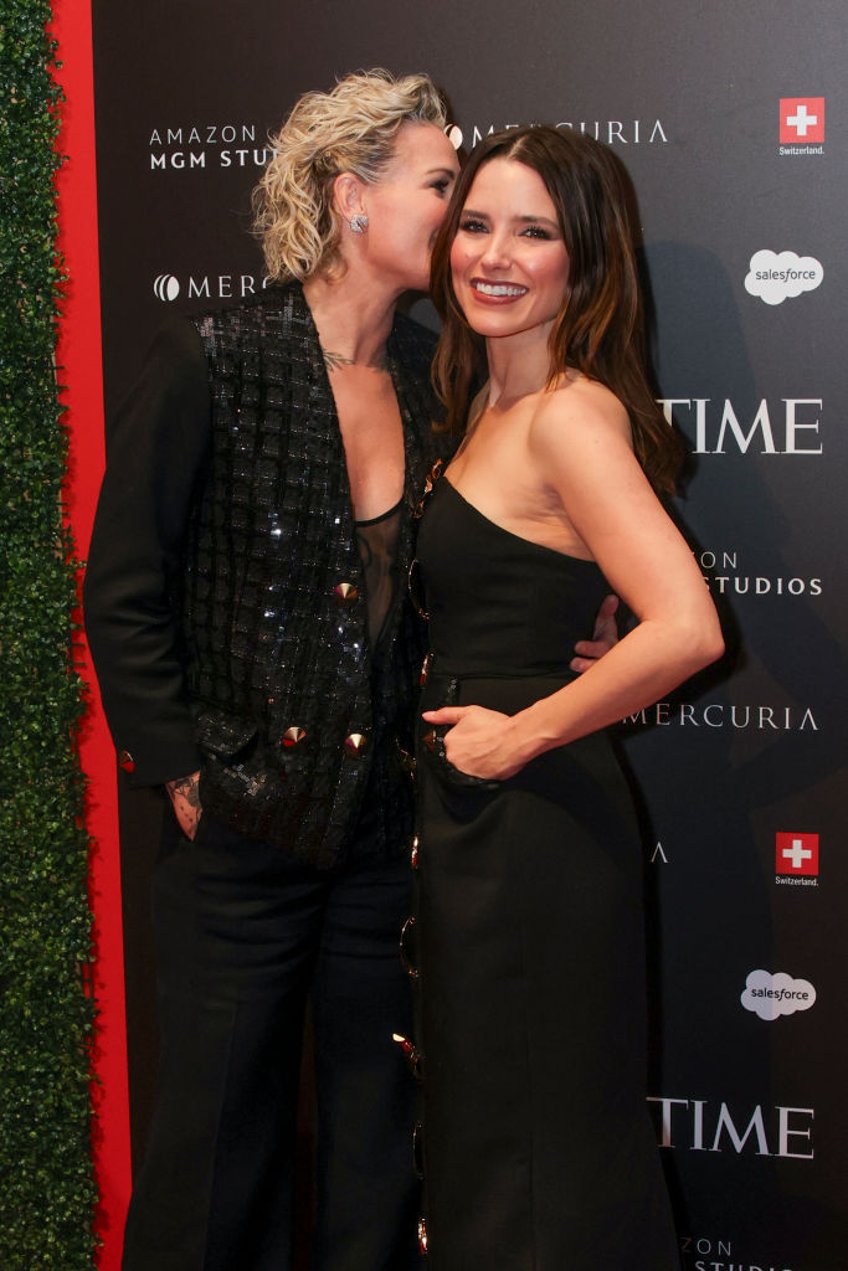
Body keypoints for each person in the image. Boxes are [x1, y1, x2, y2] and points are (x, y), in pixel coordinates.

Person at [84, 73, 616, 1270]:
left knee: (378, 1149)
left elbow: (493, 557)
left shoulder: (445, 381)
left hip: (391, 842)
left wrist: (578, 632)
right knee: (215, 1149)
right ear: (350, 198)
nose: (465, 210)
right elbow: (123, 593)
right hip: (239, 840)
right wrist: (182, 771)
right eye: (443, 187)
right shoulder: (214, 359)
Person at [412, 124, 724, 1269]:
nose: (492, 254)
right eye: (477, 223)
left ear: (581, 259)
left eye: (532, 231)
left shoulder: (567, 414)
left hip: (530, 826)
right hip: (476, 822)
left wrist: (520, 733)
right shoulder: (483, 399)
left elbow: (686, 625)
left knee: (537, 1155)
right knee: (500, 1143)